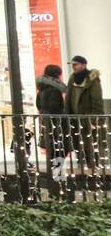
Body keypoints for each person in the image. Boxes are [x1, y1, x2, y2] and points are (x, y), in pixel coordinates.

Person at [37, 64, 77, 199]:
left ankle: (54, 183)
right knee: (59, 152)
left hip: (48, 125)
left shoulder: (42, 88)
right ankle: (57, 184)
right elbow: (55, 108)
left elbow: (39, 105)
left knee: (53, 153)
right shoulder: (54, 90)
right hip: (57, 126)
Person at [66, 55, 104, 171]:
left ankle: (93, 169)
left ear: (84, 64)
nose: (74, 67)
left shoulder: (92, 79)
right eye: (72, 65)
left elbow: (97, 100)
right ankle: (81, 167)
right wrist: (68, 114)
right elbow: (69, 97)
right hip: (74, 118)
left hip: (88, 118)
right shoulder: (73, 78)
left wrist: (95, 119)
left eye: (76, 64)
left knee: (90, 144)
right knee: (77, 143)